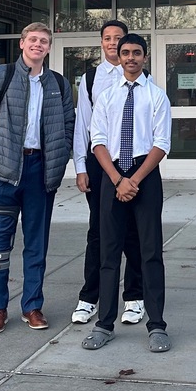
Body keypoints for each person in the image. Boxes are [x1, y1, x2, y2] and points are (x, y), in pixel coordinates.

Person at [0, 22, 74, 335]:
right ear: (22, 43)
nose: (38, 45)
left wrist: (60, 157)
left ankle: (32, 306)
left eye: (44, 41)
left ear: (49, 47)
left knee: (36, 245)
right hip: (3, 174)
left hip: (40, 173)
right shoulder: (0, 76)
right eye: (33, 40)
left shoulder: (58, 83)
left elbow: (68, 124)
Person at [81, 34, 173, 353]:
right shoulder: (106, 96)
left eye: (136, 53)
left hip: (144, 174)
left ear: (145, 57)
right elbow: (98, 141)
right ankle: (104, 324)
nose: (131, 57)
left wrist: (133, 179)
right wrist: (118, 180)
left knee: (150, 252)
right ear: (118, 57)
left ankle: (157, 325)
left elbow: (162, 143)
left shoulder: (157, 96)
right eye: (125, 53)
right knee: (109, 252)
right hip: (113, 174)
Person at [71, 20, 145, 327]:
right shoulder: (91, 78)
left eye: (118, 38)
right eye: (107, 38)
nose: (113, 43)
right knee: (99, 232)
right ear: (101, 43)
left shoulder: (142, 78)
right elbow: (82, 126)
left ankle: (134, 297)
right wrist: (79, 167)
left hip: (133, 167)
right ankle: (91, 297)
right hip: (100, 167)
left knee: (133, 233)